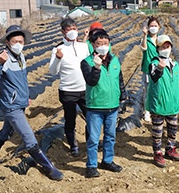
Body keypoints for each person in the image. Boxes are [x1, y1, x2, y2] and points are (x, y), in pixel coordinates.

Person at [0, 25, 63, 181]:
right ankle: (49, 168)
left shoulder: (21, 57)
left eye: (21, 41)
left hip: (19, 103)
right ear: (7, 42)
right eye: (14, 41)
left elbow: (21, 81)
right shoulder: (3, 58)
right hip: (11, 107)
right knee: (29, 137)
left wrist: (25, 97)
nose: (18, 43)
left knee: (5, 133)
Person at [81, 29, 126, 178]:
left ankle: (107, 161)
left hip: (112, 106)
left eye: (105, 43)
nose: (102, 46)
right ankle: (91, 165)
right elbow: (91, 81)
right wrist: (97, 67)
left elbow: (119, 80)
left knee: (110, 136)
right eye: (99, 43)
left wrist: (123, 97)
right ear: (92, 44)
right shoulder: (86, 62)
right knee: (93, 138)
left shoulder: (114, 60)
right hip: (95, 107)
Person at [49, 18, 90, 157]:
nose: (72, 32)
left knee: (91, 117)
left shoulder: (83, 47)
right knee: (70, 119)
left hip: (85, 89)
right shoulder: (58, 49)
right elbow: (53, 71)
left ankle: (90, 142)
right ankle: (73, 145)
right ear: (63, 32)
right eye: (68, 29)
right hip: (68, 91)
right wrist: (58, 58)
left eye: (74, 28)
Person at [146, 35, 179, 167]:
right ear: (157, 48)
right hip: (159, 103)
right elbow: (154, 77)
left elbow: (177, 84)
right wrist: (160, 68)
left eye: (168, 46)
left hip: (172, 104)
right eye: (163, 47)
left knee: (173, 128)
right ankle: (157, 153)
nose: (166, 49)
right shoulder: (154, 64)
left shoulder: (175, 64)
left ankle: (170, 148)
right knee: (158, 130)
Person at [140, 16, 161, 122]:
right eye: (151, 26)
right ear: (148, 27)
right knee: (147, 91)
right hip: (148, 68)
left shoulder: (161, 40)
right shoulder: (146, 39)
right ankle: (147, 111)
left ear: (159, 27)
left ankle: (156, 109)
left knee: (158, 89)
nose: (153, 28)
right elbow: (143, 48)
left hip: (159, 68)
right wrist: (144, 36)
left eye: (155, 26)